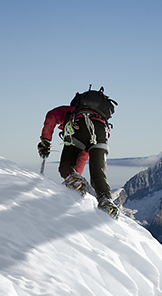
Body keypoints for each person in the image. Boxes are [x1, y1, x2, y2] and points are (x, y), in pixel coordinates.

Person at [37, 86, 119, 218]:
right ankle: (106, 200)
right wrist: (76, 178)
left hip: (79, 126)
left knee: (65, 166)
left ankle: (77, 184)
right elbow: (83, 157)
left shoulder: (71, 111)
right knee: (97, 171)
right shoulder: (99, 116)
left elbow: (51, 115)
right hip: (101, 131)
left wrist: (45, 141)